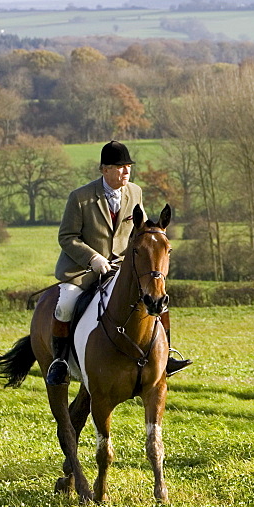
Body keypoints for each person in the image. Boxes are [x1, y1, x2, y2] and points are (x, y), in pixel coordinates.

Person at [44, 140, 191, 386]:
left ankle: (166, 356)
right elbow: (66, 237)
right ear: (104, 169)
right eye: (120, 167)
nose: (126, 171)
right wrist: (94, 259)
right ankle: (59, 362)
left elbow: (139, 229)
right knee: (65, 305)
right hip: (83, 270)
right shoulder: (80, 198)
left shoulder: (135, 192)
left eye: (128, 167)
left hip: (122, 269)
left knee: (157, 301)